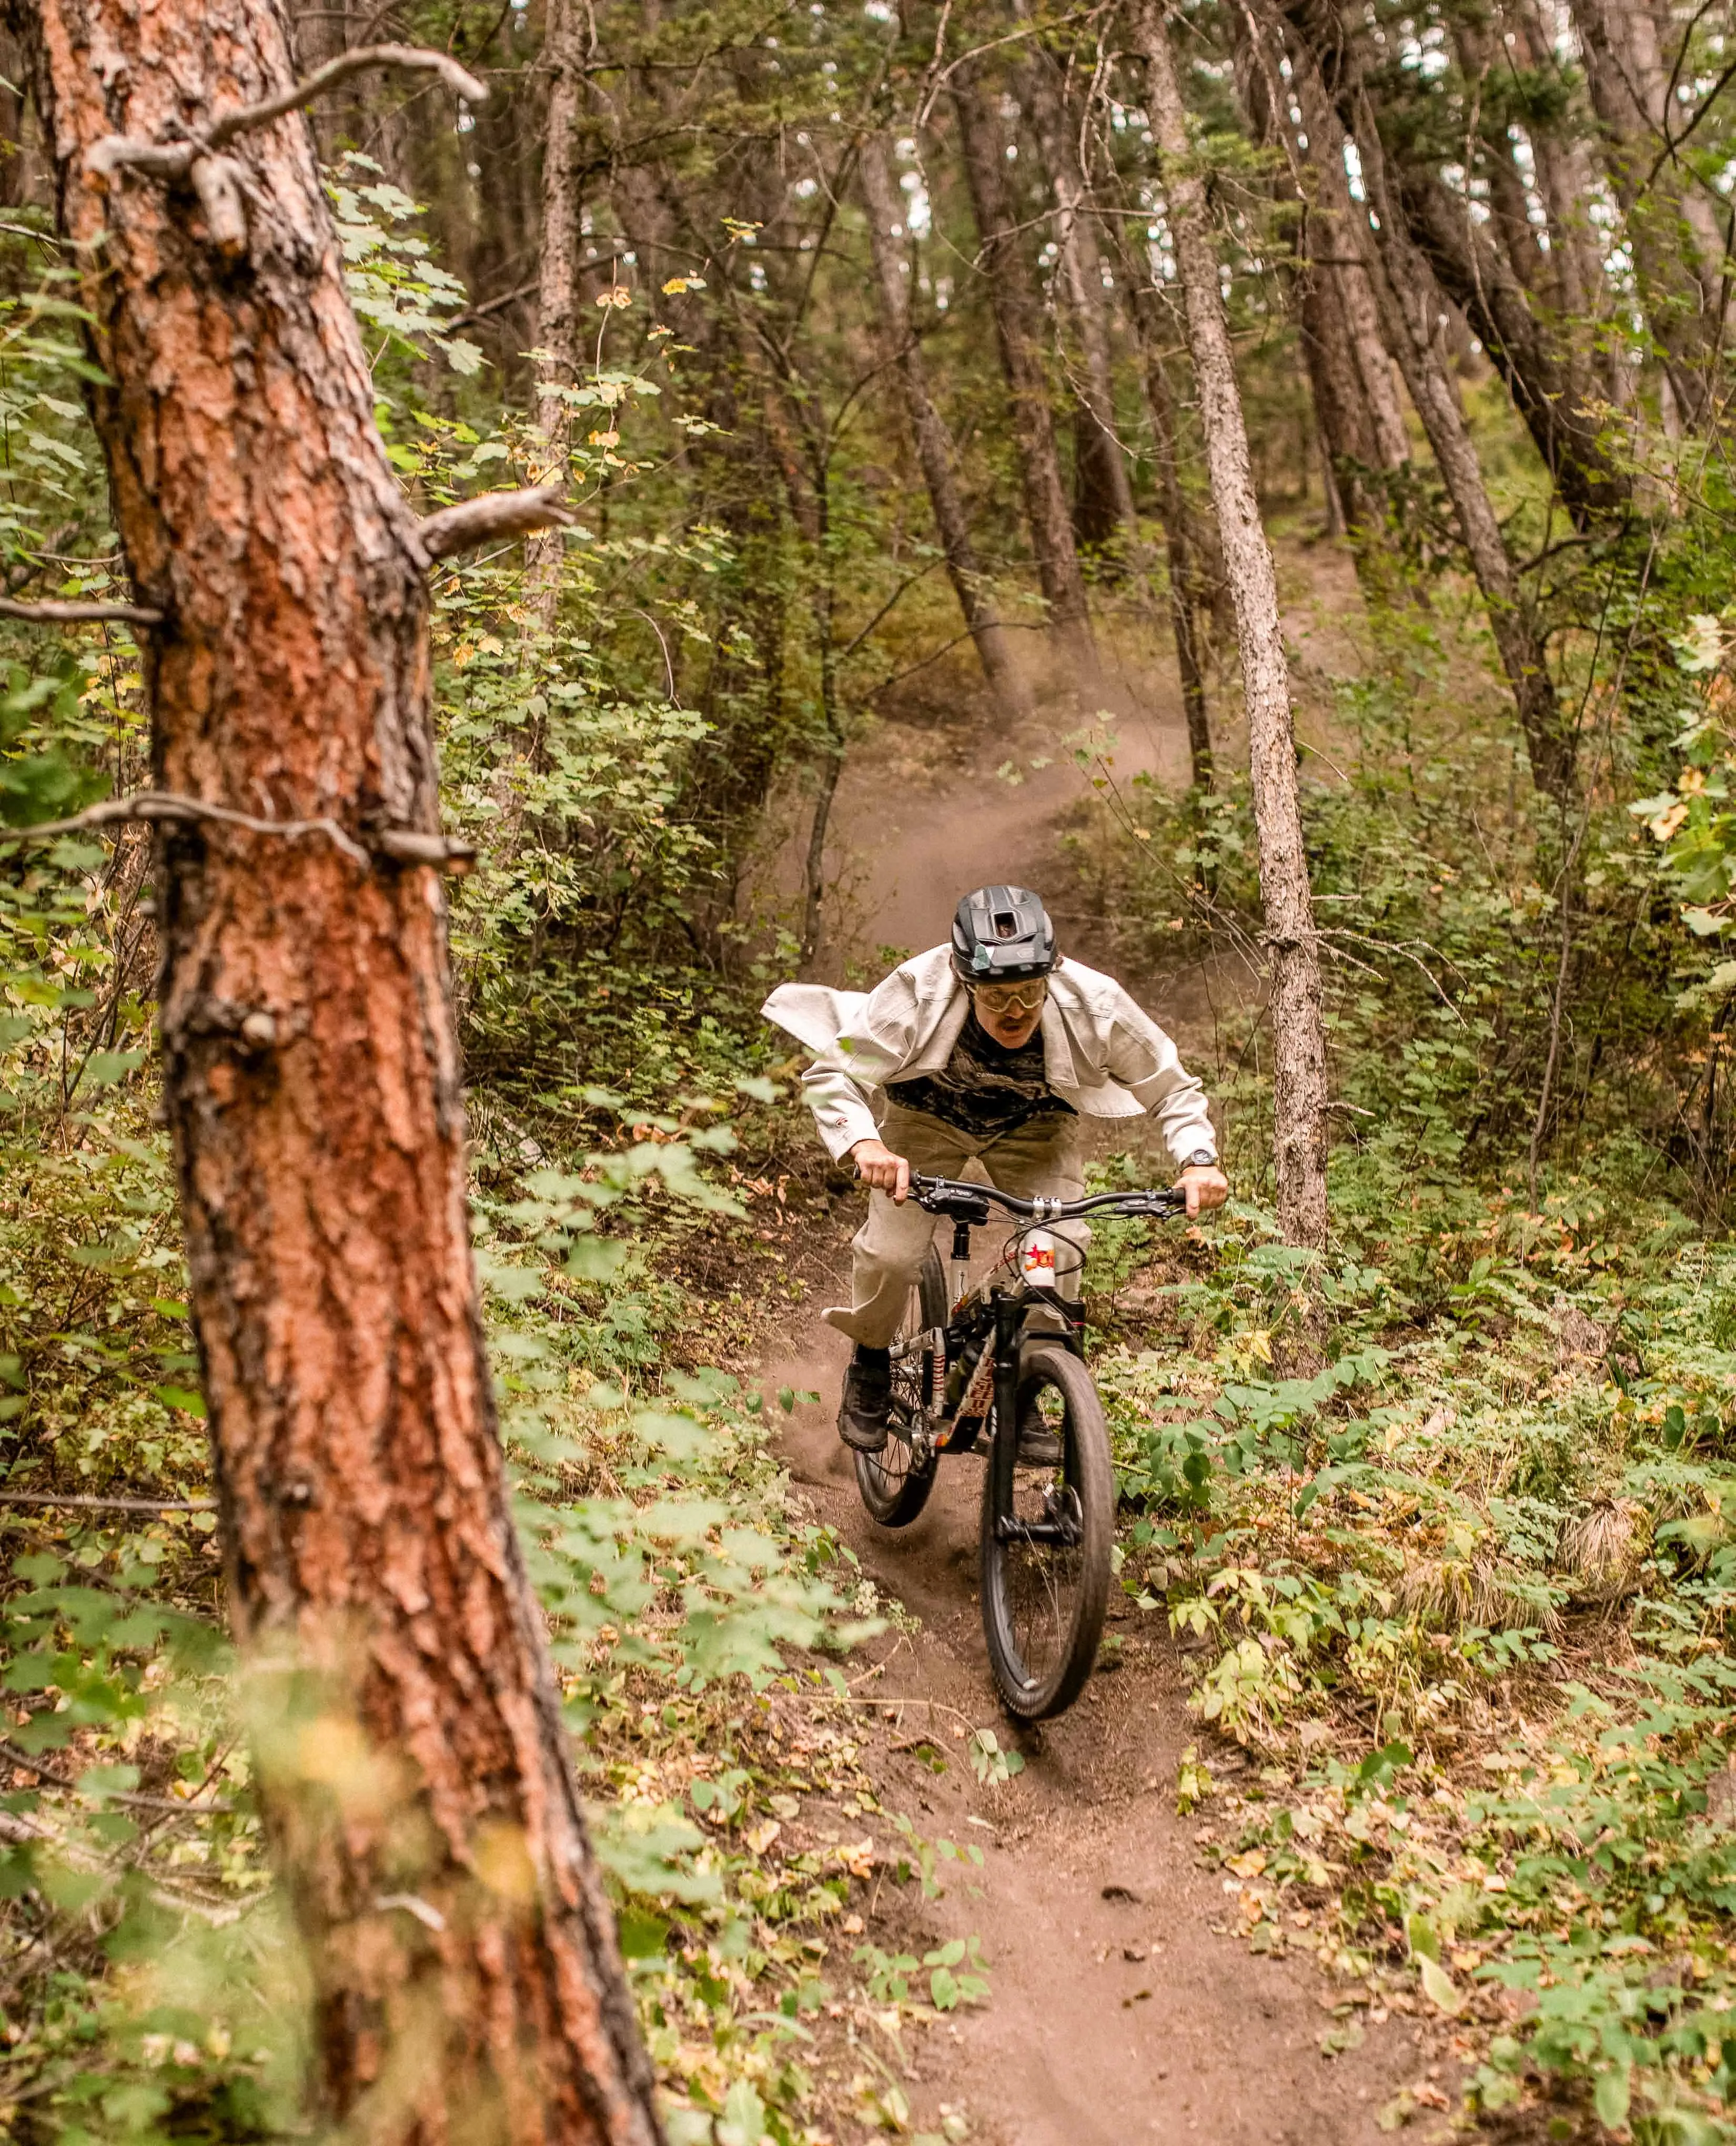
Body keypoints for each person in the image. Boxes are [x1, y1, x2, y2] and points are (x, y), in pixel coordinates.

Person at [762, 884, 1227, 1452]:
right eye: (998, 996)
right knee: (893, 1253)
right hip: (925, 1119)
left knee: (1056, 1249)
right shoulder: (917, 992)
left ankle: (1025, 1390)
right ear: (965, 982)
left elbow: (1171, 1087)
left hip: (1036, 1129)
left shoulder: (1096, 1004)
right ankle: (871, 1360)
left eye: (1031, 993)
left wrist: (1198, 1160)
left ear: (1051, 976)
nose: (1017, 1011)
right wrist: (866, 1147)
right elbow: (836, 1072)